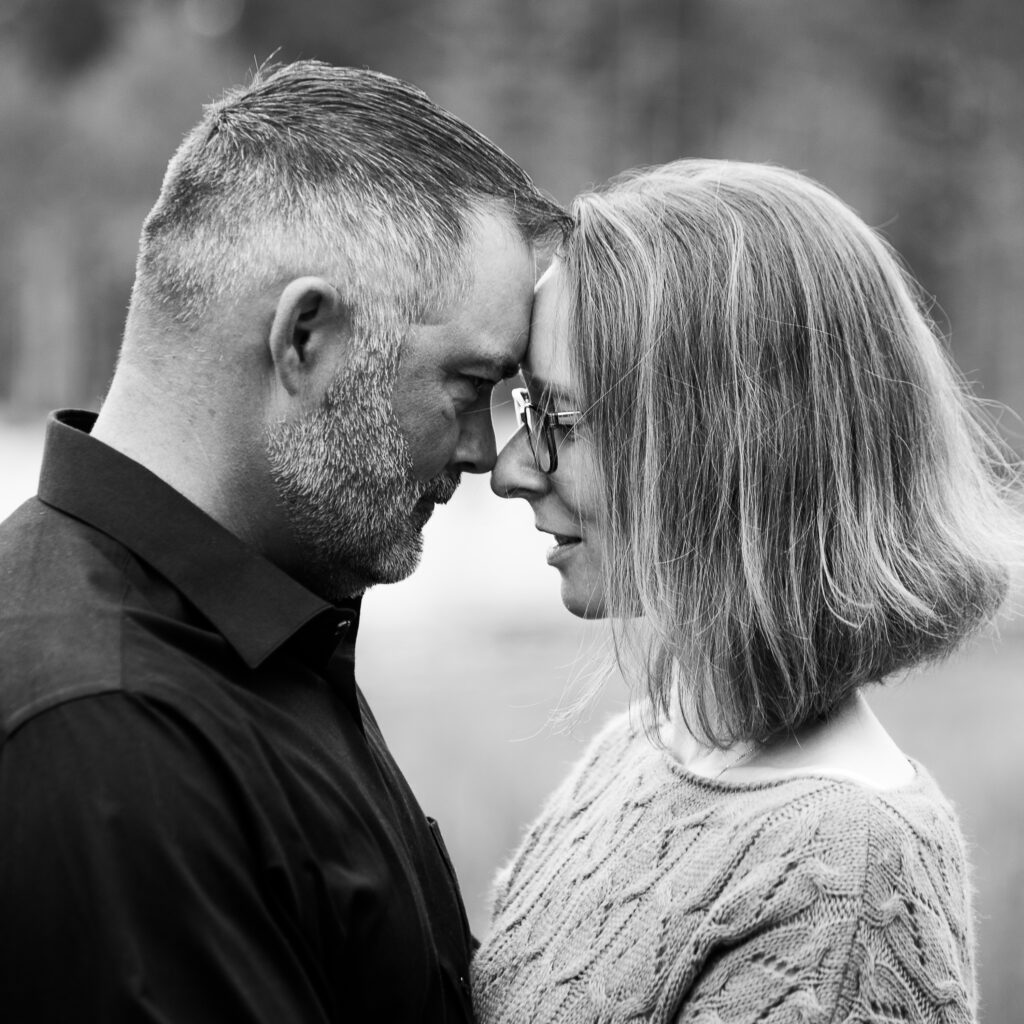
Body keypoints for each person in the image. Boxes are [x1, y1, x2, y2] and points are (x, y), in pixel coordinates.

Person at [0, 61, 568, 1022]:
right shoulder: (111, 734)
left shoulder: (249, 639)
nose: (484, 453)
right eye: (470, 388)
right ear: (305, 337)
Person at [474, 160, 1022, 1023]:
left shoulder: (846, 883)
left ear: (732, 454)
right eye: (523, 408)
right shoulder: (650, 741)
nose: (508, 470)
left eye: (562, 420)